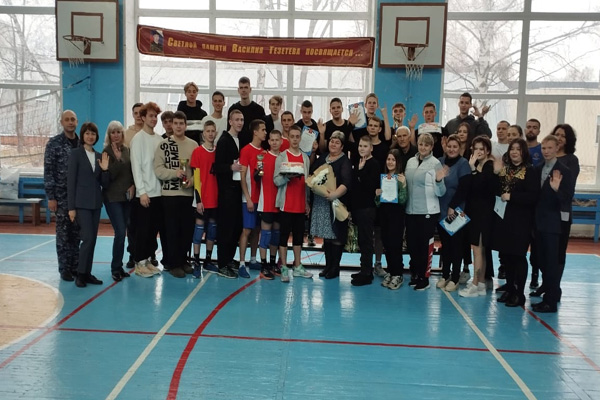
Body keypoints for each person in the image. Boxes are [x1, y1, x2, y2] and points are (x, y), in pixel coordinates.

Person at [531, 125, 580, 299]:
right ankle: (547, 286)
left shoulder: (567, 166)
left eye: (550, 147)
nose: (546, 151)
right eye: (543, 148)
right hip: (540, 219)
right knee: (540, 257)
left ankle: (553, 293)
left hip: (557, 220)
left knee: (554, 257)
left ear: (558, 146)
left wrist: (556, 189)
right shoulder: (539, 168)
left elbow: (566, 196)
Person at [492, 138, 539, 307]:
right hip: (504, 219)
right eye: (512, 149)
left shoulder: (530, 171)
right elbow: (496, 191)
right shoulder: (505, 170)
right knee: (507, 257)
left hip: (521, 221)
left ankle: (519, 294)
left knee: (518, 257)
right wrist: (496, 173)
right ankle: (510, 289)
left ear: (523, 152)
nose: (514, 152)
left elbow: (533, 196)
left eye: (518, 149)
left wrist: (512, 197)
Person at [154, 111, 198, 278]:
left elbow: (197, 169)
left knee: (186, 230)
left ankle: (183, 260)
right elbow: (158, 169)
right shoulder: (164, 145)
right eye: (176, 123)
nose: (178, 126)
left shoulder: (193, 145)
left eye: (181, 123)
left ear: (185, 126)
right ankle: (173, 264)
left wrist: (192, 181)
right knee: (172, 230)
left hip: (187, 194)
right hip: (170, 195)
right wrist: (175, 173)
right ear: (171, 125)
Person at [67, 122, 110, 288]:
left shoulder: (99, 156)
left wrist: (105, 169)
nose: (90, 136)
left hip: (95, 203)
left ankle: (87, 273)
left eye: (93, 134)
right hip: (81, 204)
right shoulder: (76, 154)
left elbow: (104, 183)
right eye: (87, 133)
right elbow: (71, 182)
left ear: (96, 137)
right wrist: (71, 207)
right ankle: (80, 273)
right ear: (82, 135)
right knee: (87, 238)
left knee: (93, 239)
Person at [405, 133, 447, 290]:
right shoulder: (410, 161)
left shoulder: (435, 163)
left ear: (431, 147)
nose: (423, 147)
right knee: (412, 244)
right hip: (410, 211)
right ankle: (416, 273)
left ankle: (425, 277)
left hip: (428, 212)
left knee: (424, 246)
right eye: (421, 144)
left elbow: (441, 192)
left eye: (426, 145)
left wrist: (438, 180)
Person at [310, 131, 352, 279]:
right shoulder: (323, 157)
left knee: (336, 235)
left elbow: (347, 182)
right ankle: (328, 266)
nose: (333, 144)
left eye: (337, 142)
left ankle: (335, 267)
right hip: (322, 201)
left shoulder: (345, 161)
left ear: (342, 146)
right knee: (327, 235)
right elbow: (313, 173)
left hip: (336, 203)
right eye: (332, 141)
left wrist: (335, 194)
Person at [129, 102, 165, 278]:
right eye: (150, 116)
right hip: (144, 195)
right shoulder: (138, 139)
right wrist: (141, 191)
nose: (154, 119)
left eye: (155, 116)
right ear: (143, 117)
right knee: (142, 231)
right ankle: (139, 262)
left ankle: (149, 260)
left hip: (159, 194)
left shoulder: (159, 140)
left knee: (152, 231)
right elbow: (136, 167)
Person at [44, 110, 80, 282]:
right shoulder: (54, 143)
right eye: (67, 119)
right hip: (61, 196)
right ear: (62, 122)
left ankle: (76, 266)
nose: (70, 122)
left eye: (73, 119)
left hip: (78, 196)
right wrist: (51, 197)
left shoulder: (81, 143)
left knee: (76, 233)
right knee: (64, 234)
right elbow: (48, 170)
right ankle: (65, 268)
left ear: (77, 122)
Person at [274, 125, 313, 281]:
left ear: (300, 138)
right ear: (288, 138)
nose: (295, 139)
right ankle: (284, 267)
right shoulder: (282, 157)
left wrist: (307, 202)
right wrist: (287, 177)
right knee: (283, 236)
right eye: (292, 136)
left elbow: (306, 182)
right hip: (286, 204)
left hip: (300, 204)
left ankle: (297, 266)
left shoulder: (305, 158)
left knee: (298, 237)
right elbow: (276, 180)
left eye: (297, 136)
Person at [459, 136, 496, 297]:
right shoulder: (479, 165)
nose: (478, 151)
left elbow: (483, 186)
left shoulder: (488, 166)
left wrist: (473, 169)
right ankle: (481, 283)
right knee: (480, 249)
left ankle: (475, 284)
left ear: (487, 150)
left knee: (478, 250)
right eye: (476, 149)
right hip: (475, 212)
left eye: (482, 149)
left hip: (483, 214)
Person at [436, 134, 472, 292]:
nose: (451, 149)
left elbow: (464, 188)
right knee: (445, 245)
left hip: (456, 211)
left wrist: (453, 206)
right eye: (449, 146)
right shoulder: (439, 162)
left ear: (460, 148)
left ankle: (455, 277)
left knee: (456, 245)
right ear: (445, 147)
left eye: (455, 147)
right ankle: (445, 275)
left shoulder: (463, 164)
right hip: (441, 209)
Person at [102, 121, 134, 282]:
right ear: (109, 135)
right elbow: (108, 177)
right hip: (112, 198)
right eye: (113, 132)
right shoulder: (106, 152)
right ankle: (115, 267)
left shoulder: (127, 150)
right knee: (120, 232)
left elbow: (131, 171)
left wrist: (133, 185)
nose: (116, 135)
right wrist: (118, 160)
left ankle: (120, 267)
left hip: (126, 197)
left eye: (118, 132)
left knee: (125, 231)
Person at [214, 109, 244, 278]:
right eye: (237, 119)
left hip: (237, 191)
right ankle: (222, 264)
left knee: (235, 227)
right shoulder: (224, 141)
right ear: (230, 122)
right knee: (225, 228)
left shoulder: (239, 140)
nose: (240, 122)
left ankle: (229, 259)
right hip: (226, 193)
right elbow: (217, 167)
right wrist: (230, 167)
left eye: (242, 119)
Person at [238, 119, 268, 278]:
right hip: (248, 198)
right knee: (247, 230)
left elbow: (261, 175)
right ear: (255, 132)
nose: (265, 132)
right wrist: (248, 198)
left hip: (260, 199)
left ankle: (253, 259)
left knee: (257, 230)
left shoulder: (263, 152)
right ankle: (242, 263)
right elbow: (242, 176)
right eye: (263, 130)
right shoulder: (246, 150)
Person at [190, 120, 219, 276]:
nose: (210, 134)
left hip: (215, 199)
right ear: (203, 134)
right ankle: (196, 261)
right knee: (198, 230)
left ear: (216, 133)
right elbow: (196, 177)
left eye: (212, 131)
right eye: (207, 131)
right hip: (202, 199)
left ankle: (208, 260)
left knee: (212, 232)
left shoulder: (218, 152)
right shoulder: (198, 152)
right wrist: (198, 200)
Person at [350, 136, 380, 286]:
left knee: (367, 240)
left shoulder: (374, 164)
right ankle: (364, 269)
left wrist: (361, 171)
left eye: (365, 146)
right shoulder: (358, 162)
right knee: (362, 240)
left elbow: (370, 187)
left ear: (371, 148)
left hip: (367, 208)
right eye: (360, 146)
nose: (362, 148)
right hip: (358, 207)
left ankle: (367, 273)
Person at [376, 149, 407, 290]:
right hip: (384, 214)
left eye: (393, 160)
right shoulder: (383, 178)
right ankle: (391, 271)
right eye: (388, 159)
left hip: (397, 215)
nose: (390, 162)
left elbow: (403, 200)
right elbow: (378, 202)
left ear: (398, 162)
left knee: (395, 244)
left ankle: (398, 273)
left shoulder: (401, 178)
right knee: (387, 244)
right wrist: (377, 195)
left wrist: (403, 186)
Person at [257, 129, 283, 279]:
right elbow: (256, 177)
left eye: (276, 140)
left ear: (281, 141)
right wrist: (258, 172)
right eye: (272, 140)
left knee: (276, 235)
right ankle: (263, 265)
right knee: (266, 234)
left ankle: (273, 264)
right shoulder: (263, 157)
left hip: (279, 202)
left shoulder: (284, 157)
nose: (274, 142)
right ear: (268, 141)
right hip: (266, 202)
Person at [227, 76, 266, 149]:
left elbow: (263, 132)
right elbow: (229, 132)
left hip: (255, 148)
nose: (243, 90)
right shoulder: (233, 109)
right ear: (238, 90)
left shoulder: (259, 110)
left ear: (250, 89)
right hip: (237, 147)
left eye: (246, 87)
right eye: (241, 88)